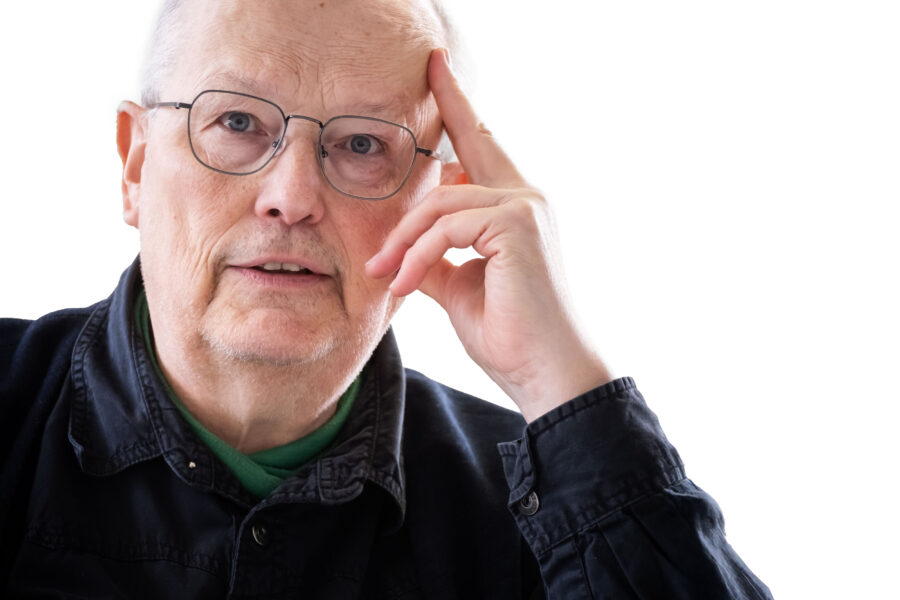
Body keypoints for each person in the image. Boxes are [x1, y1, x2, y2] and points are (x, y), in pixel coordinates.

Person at [0, 0, 772, 597]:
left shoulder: (539, 514)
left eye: (364, 144)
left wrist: (562, 384)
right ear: (135, 166)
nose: (292, 197)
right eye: (236, 122)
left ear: (441, 196)